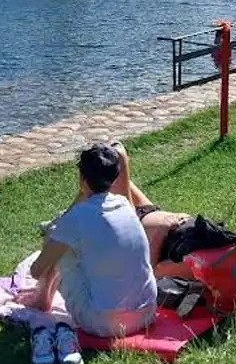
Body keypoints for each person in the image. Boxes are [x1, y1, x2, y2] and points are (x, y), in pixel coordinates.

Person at [45, 142, 236, 280]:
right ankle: (64, 218)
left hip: (136, 225)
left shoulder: (205, 265)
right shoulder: (224, 243)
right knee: (109, 174)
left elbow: (152, 272)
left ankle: (63, 221)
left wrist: (164, 231)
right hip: (155, 214)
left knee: (106, 174)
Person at [18, 143, 158, 341]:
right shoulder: (126, 205)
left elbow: (36, 270)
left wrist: (52, 239)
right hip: (147, 313)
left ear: (82, 179)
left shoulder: (77, 218)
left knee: (56, 236)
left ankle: (41, 299)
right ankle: (44, 296)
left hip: (104, 324)